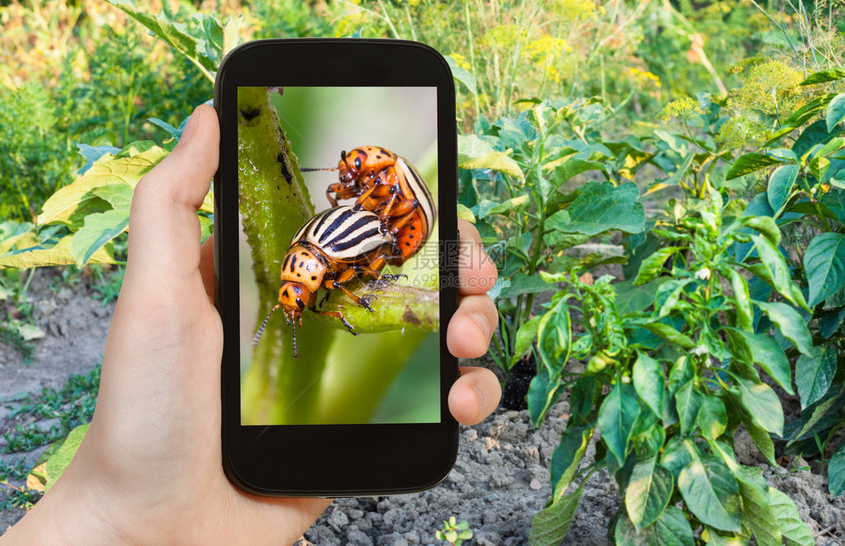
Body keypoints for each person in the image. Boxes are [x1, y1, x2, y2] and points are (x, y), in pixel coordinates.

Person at [1, 105, 502, 545]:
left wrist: (110, 520)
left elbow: (362, 244)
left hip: (383, 233)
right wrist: (115, 516)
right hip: (362, 241)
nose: (348, 179)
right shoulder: (341, 228)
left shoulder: (377, 194)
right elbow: (348, 250)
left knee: (446, 279)